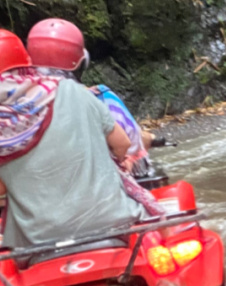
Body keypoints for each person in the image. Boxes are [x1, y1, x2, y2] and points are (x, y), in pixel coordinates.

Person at [0, 28, 155, 249]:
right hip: (115, 223)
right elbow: (123, 144)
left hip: (36, 243)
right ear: (28, 62)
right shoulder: (73, 91)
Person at [26, 18, 156, 174]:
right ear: (82, 63)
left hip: (45, 186)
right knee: (141, 149)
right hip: (99, 184)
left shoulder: (15, 107)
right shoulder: (101, 97)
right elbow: (129, 145)